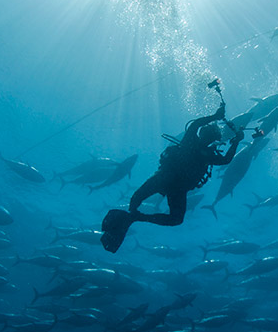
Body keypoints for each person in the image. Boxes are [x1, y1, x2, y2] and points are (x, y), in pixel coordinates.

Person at [101, 92, 243, 252]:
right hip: (173, 183)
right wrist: (234, 139)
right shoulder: (202, 149)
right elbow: (225, 157)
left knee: (142, 202)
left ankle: (132, 217)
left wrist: (217, 119)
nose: (207, 135)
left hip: (168, 180)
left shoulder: (195, 142)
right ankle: (133, 217)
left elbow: (198, 128)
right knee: (161, 212)